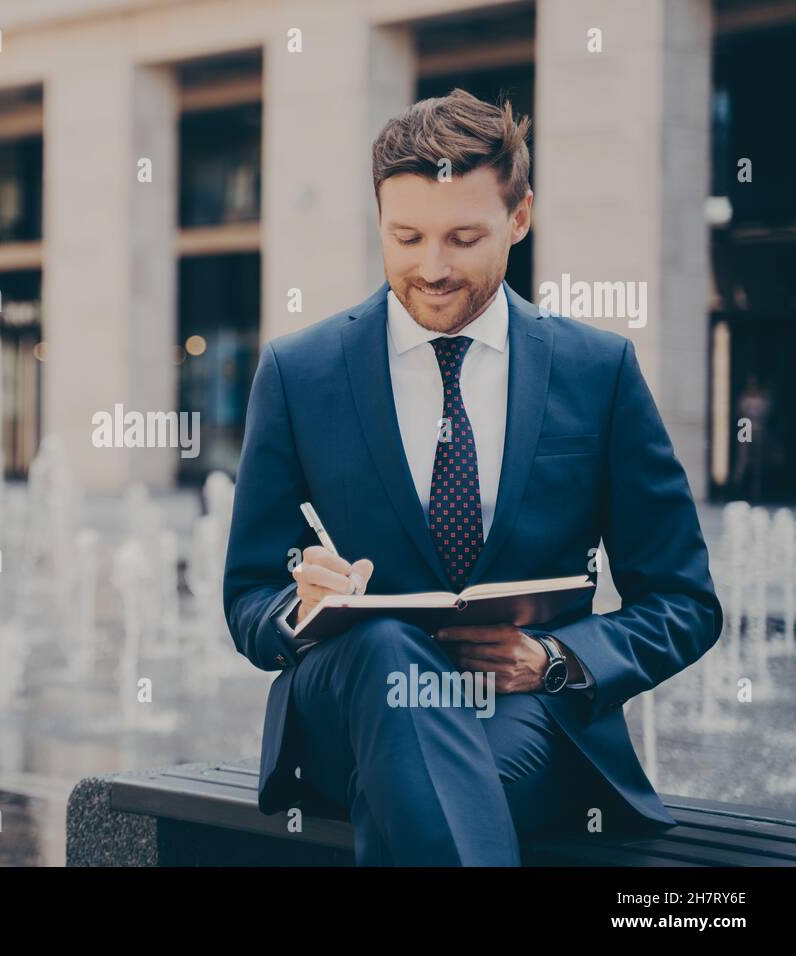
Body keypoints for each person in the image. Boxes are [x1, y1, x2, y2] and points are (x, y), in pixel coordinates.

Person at [222, 89, 722, 866]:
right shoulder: (300, 372)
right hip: (343, 708)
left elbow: (685, 602)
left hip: (516, 705)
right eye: (406, 236)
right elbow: (249, 594)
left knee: (430, 793)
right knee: (386, 643)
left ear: (520, 217)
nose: (432, 268)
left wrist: (555, 660)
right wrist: (300, 603)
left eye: (462, 237)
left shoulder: (599, 373)